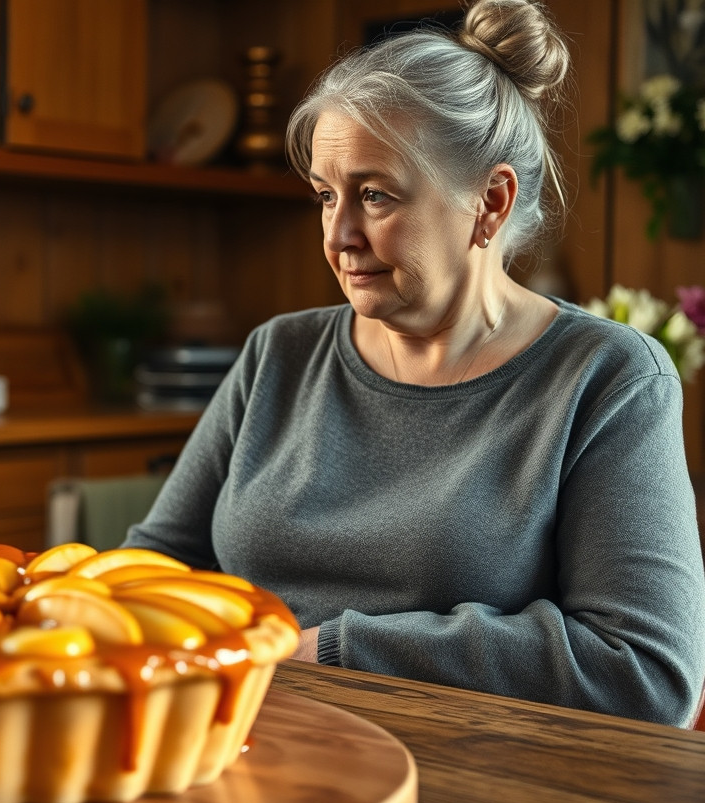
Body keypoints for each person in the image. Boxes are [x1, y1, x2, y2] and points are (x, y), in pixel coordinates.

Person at [124, 0, 705, 727]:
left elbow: (647, 671)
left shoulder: (608, 377)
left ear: (490, 202)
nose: (339, 235)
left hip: (472, 770)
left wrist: (333, 651)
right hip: (246, 745)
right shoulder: (279, 352)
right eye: (326, 196)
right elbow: (151, 570)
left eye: (374, 195)